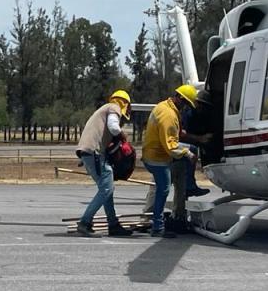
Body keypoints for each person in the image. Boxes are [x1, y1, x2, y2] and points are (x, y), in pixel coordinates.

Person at [74, 90, 134, 237]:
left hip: (88, 153)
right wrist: (122, 136)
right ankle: (84, 223)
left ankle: (113, 224)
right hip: (94, 153)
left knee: (107, 189)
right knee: (106, 189)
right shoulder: (114, 108)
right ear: (124, 103)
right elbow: (113, 127)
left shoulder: (103, 109)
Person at [142, 84, 197, 238]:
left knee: (162, 189)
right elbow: (170, 146)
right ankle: (157, 227)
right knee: (163, 190)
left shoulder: (164, 106)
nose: (186, 108)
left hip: (153, 154)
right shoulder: (169, 115)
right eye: (186, 104)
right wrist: (187, 153)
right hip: (157, 158)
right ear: (179, 99)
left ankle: (156, 221)